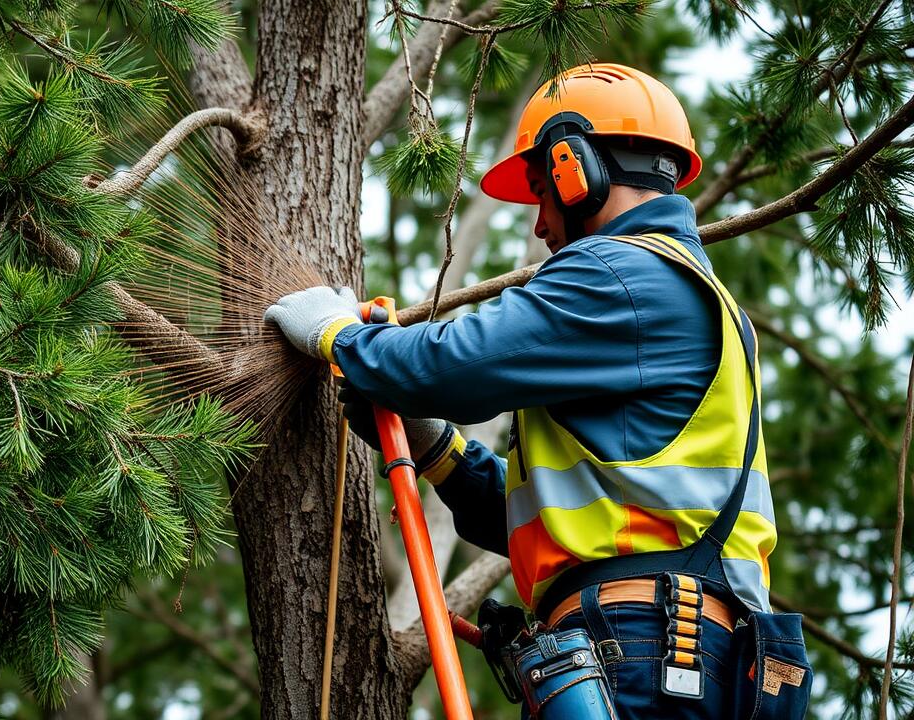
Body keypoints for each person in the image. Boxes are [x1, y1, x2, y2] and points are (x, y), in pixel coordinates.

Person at [264, 63, 812, 718]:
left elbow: (451, 366)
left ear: (573, 169)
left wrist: (337, 334)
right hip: (674, 653)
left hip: (643, 648)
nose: (539, 226)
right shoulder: (683, 292)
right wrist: (438, 452)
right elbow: (558, 521)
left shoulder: (621, 273)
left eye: (540, 193)